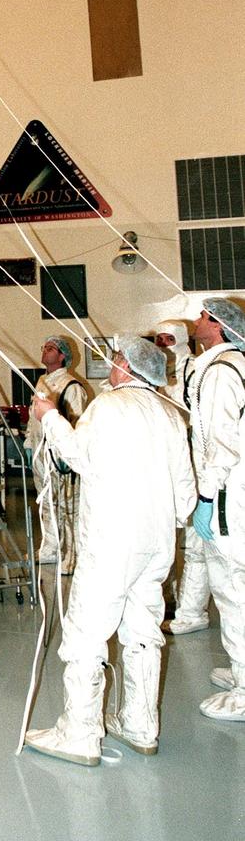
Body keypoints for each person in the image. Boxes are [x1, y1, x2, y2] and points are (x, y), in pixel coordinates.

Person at [24, 336, 195, 765]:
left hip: (111, 543)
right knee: (143, 632)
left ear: (127, 368)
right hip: (157, 547)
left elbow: (78, 455)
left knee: (85, 635)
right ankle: (140, 726)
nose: (112, 365)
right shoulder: (172, 416)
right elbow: (187, 499)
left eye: (117, 359)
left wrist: (50, 418)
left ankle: (79, 735)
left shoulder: (108, 406)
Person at [187, 297, 245, 721]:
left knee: (232, 591)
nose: (197, 320)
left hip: (226, 496)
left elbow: (219, 445)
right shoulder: (229, 366)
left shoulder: (221, 373)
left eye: (205, 316)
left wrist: (206, 498)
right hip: (231, 490)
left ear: (221, 327)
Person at [155, 320, 209, 635]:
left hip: (197, 463)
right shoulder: (154, 372)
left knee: (196, 545)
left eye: (169, 338)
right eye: (159, 338)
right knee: (165, 534)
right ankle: (168, 599)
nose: (163, 344)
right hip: (168, 462)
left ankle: (191, 609)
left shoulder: (194, 369)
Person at [23, 336, 88, 569]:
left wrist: (67, 458)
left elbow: (77, 425)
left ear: (62, 356)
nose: (45, 351)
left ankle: (72, 556)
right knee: (46, 503)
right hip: (41, 454)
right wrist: (29, 444)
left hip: (61, 457)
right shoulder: (42, 381)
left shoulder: (72, 386)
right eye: (44, 346)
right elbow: (34, 417)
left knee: (67, 505)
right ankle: (51, 547)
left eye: (51, 348)